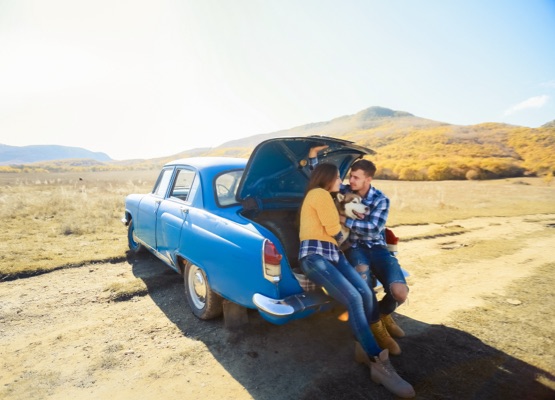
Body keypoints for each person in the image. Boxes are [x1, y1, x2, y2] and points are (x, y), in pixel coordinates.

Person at [298, 162, 415, 398]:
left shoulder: (333, 196)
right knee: (353, 297)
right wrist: (342, 222)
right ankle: (377, 362)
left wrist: (344, 219)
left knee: (364, 291)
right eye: (340, 177)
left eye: (348, 177)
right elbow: (333, 228)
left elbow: (344, 225)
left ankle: (366, 344)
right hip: (314, 254)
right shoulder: (319, 193)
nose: (343, 181)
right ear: (328, 178)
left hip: (334, 253)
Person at [308, 146, 409, 356]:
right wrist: (312, 158)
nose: (350, 181)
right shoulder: (344, 191)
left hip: (378, 249)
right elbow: (321, 180)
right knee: (363, 280)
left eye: (355, 178)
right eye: (350, 176)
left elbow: (373, 228)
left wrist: (343, 219)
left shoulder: (381, 200)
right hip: (354, 248)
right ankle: (376, 327)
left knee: (400, 293)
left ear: (368, 180)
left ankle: (383, 314)